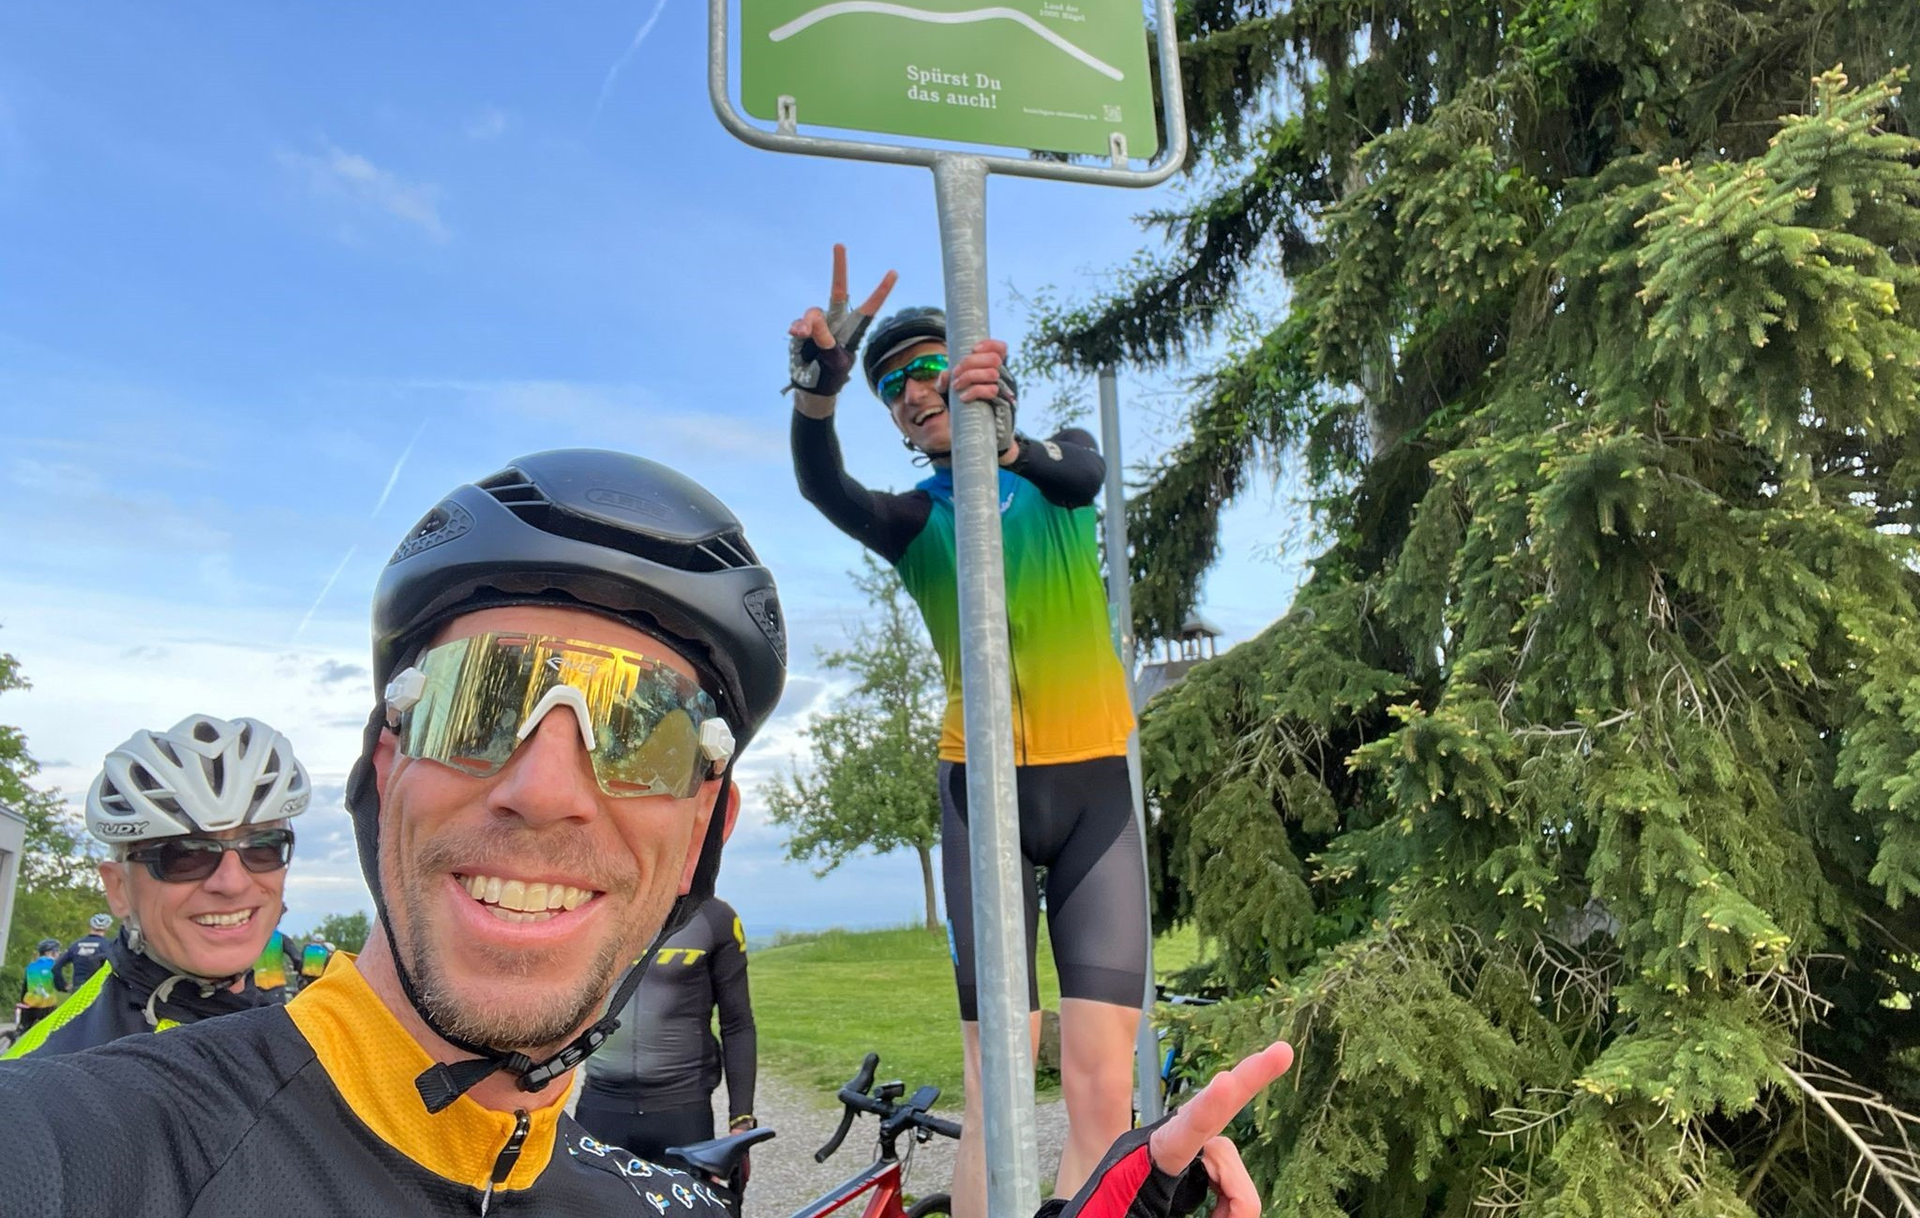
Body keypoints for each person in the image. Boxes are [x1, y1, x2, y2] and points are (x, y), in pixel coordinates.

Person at [0, 447, 1289, 1217]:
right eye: (481, 701)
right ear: (385, 765)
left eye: (646, 732)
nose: (547, 789)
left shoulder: (640, 1205)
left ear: (706, 828)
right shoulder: (81, 1148)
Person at [787, 248, 1150, 1218]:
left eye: (927, 369)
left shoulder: (1054, 470)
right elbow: (826, 490)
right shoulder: (917, 521)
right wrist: (816, 397)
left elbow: (1086, 470)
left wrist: (1008, 443)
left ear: (982, 375)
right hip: (980, 798)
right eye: (891, 387)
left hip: (1095, 799)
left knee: (1103, 1092)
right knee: (997, 1089)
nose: (911, 392)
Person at [2, 715, 310, 1060]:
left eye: (264, 847)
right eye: (186, 855)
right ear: (118, 888)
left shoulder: (305, 1032)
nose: (232, 882)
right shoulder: (46, 1074)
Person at [577, 890, 757, 1163]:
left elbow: (737, 1023)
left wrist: (741, 1121)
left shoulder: (715, 917)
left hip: (682, 1108)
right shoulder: (592, 910)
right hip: (600, 1102)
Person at [52, 914, 114, 993]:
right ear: (107, 928)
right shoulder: (108, 945)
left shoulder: (76, 945)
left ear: (90, 926)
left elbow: (56, 967)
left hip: (78, 989)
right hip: (98, 990)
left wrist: (62, 986)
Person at [15, 940, 63, 1034]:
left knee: (24, 1031)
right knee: (51, 1032)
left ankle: (15, 1037)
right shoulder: (55, 966)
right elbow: (59, 985)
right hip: (47, 1006)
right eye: (57, 951)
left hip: (30, 1004)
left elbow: (25, 987)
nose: (59, 953)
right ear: (49, 952)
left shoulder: (31, 966)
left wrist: (23, 1001)